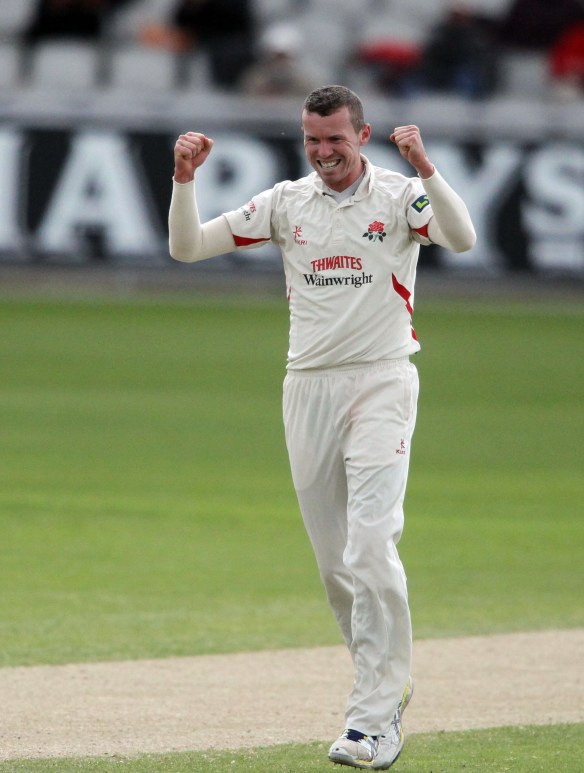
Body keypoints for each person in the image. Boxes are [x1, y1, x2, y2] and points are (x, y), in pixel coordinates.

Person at [168, 85, 476, 769]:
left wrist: (425, 166)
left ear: (362, 136)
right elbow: (187, 247)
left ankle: (375, 713)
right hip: (306, 388)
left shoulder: (398, 197)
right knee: (337, 566)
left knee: (371, 544)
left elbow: (460, 236)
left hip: (381, 380)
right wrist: (183, 182)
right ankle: (377, 689)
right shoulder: (286, 203)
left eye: (336, 138)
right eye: (313, 139)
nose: (324, 151)